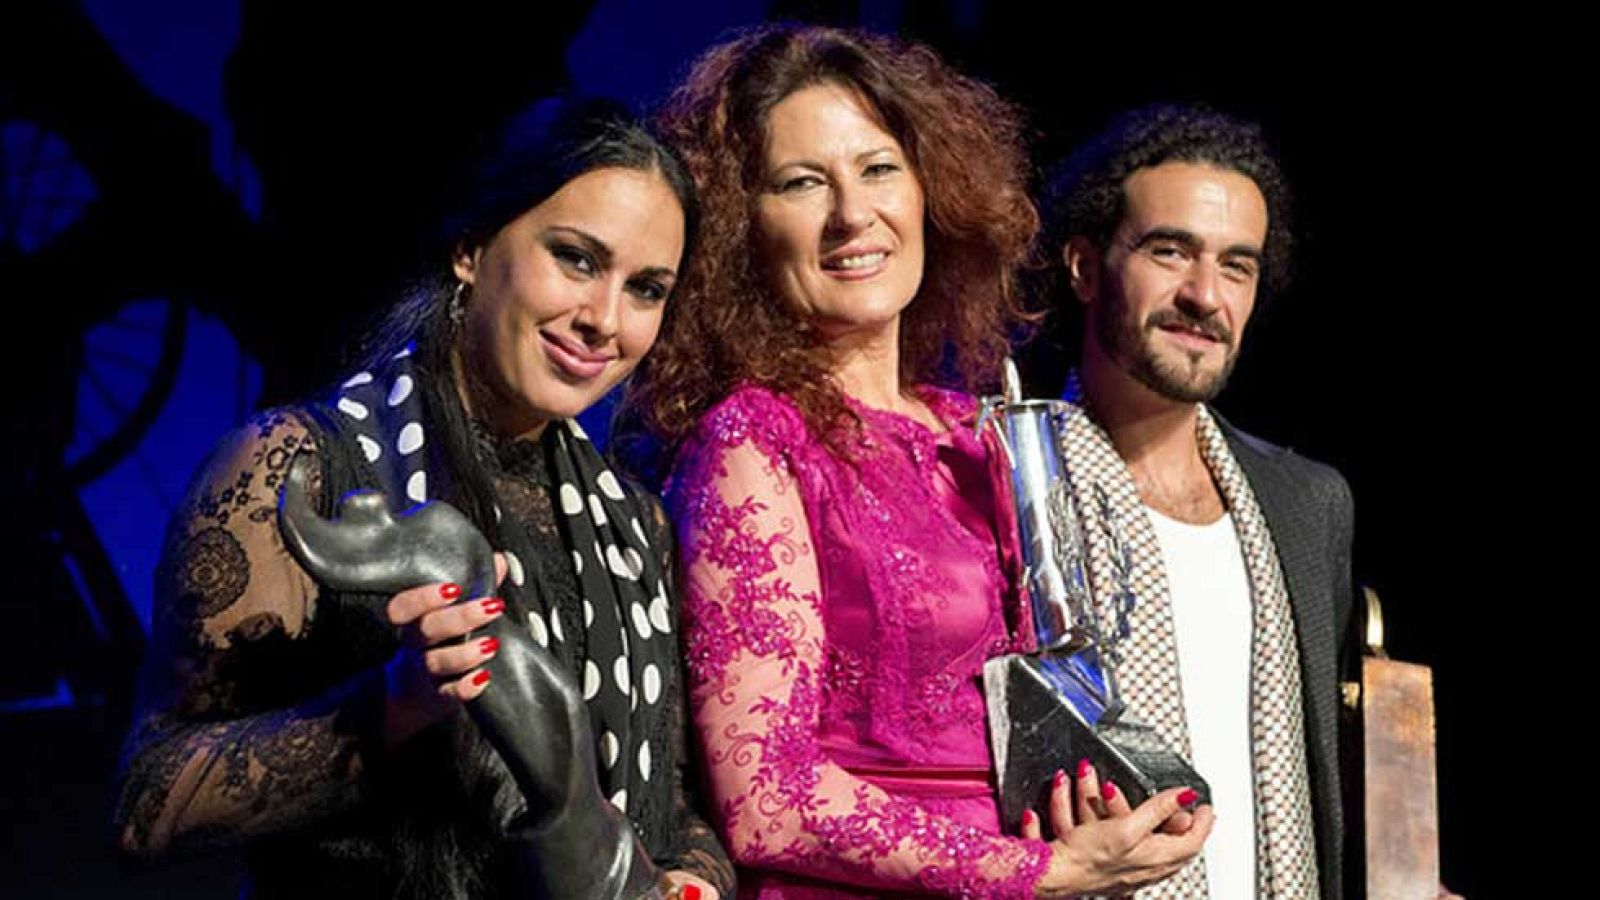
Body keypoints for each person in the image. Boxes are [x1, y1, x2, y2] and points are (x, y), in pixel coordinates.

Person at [626, 25, 1211, 898]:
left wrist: (1111, 822)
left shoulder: (970, 431)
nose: (852, 215)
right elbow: (767, 802)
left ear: (931, 189)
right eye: (800, 183)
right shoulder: (752, 441)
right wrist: (1040, 871)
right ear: (739, 232)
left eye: (878, 168)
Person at [112, 99, 733, 900]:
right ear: (472, 248)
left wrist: (691, 881)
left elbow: (674, 801)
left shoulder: (634, 521)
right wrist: (391, 709)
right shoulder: (296, 469)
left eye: (646, 289)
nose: (604, 320)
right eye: (576, 259)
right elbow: (144, 802)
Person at [1036, 103, 1350, 899]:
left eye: (1237, 267)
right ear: (1083, 266)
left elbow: (1328, 776)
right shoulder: (1008, 477)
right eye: (1170, 252)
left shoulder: (1308, 504)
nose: (1205, 295)